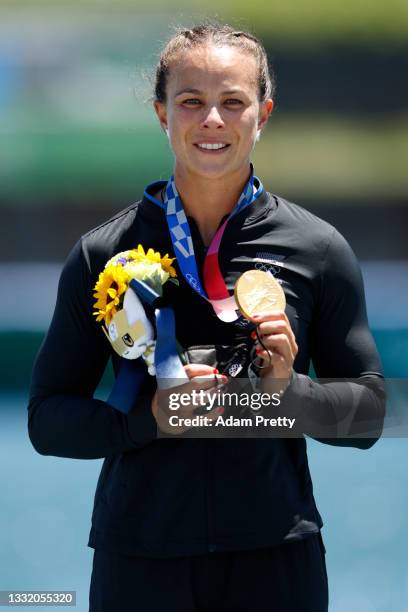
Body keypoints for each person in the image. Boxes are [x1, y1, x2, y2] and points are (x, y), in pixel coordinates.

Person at [28, 23, 385, 612]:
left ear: (263, 113)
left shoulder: (318, 249)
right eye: (191, 101)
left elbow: (370, 414)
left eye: (233, 102)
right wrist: (146, 420)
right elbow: (46, 419)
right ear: (162, 113)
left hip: (276, 561)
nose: (212, 119)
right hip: (139, 565)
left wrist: (288, 392)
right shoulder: (102, 254)